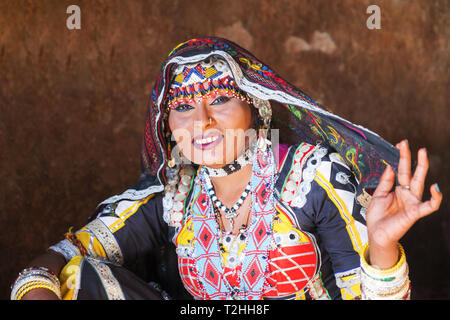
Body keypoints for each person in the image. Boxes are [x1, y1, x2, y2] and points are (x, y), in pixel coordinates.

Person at [11, 37, 442, 300]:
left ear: (254, 106)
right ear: (167, 126)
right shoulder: (172, 198)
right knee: (73, 278)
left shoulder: (311, 177)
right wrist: (35, 286)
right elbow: (63, 258)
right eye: (182, 107)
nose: (202, 121)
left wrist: (382, 246)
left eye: (219, 99)